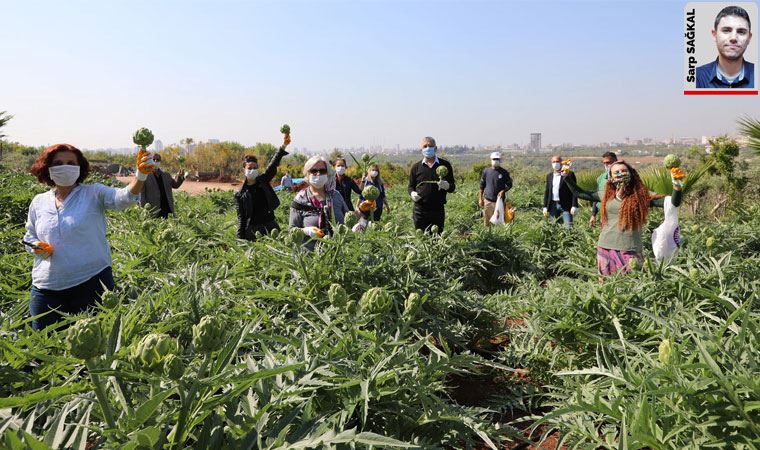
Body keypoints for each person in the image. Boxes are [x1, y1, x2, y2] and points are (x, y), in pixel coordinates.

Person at [24, 143, 154, 330]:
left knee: (95, 349)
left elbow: (123, 199)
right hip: (46, 288)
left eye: (71, 162)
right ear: (47, 168)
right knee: (43, 348)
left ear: (79, 167)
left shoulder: (93, 193)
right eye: (58, 163)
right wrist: (36, 246)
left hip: (92, 283)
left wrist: (140, 176)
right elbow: (29, 235)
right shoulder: (39, 202)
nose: (65, 166)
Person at [563, 160, 684, 276]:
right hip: (605, 247)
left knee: (631, 285)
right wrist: (567, 176)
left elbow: (672, 203)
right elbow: (580, 193)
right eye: (616, 172)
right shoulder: (606, 195)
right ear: (610, 178)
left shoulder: (641, 196)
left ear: (631, 174)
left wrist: (676, 184)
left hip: (630, 249)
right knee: (607, 287)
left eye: (624, 171)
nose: (620, 174)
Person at [235, 134, 290, 241]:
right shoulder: (240, 193)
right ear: (244, 169)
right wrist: (240, 239)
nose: (252, 170)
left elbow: (273, 164)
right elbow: (241, 219)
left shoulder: (263, 180)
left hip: (270, 225)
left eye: (255, 168)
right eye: (249, 168)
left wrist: (283, 145)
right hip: (253, 230)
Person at [289, 155, 351, 249]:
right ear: (307, 174)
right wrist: (306, 231)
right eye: (313, 171)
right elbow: (291, 230)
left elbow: (350, 220)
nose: (318, 174)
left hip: (337, 254)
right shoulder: (301, 199)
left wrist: (363, 212)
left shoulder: (335, 196)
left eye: (322, 171)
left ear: (327, 174)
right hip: (310, 257)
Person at [696, 5, 755, 89]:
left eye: (741, 32)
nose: (733, 38)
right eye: (726, 30)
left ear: (749, 38)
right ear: (714, 35)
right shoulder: (696, 77)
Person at [408, 136, 455, 233]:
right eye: (425, 146)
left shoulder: (445, 165)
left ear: (436, 148)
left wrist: (447, 186)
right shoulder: (416, 167)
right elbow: (410, 186)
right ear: (421, 149)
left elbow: (452, 187)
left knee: (437, 237)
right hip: (420, 210)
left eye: (430, 146)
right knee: (422, 238)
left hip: (437, 209)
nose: (427, 148)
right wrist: (412, 193)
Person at [138, 153, 185, 218]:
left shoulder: (166, 175)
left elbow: (175, 185)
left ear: (160, 161)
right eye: (153, 159)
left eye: (158, 160)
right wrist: (144, 210)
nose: (155, 161)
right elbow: (142, 195)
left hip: (167, 209)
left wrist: (180, 177)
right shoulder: (145, 176)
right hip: (153, 211)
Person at [542, 155, 578, 228]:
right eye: (554, 162)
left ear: (561, 162)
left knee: (568, 227)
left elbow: (574, 191)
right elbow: (547, 191)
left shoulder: (569, 174)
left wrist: (574, 205)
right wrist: (545, 206)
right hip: (553, 205)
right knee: (553, 226)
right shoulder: (549, 176)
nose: (555, 163)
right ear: (551, 163)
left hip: (566, 205)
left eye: (557, 161)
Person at [479, 152, 513, 226]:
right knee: (487, 222)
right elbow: (482, 186)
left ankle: (498, 236)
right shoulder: (486, 171)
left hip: (499, 202)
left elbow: (510, 185)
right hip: (488, 201)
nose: (495, 161)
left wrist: (503, 191)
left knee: (499, 221)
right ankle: (488, 236)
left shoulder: (504, 172)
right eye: (494, 159)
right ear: (491, 159)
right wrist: (480, 199)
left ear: (500, 160)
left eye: (497, 159)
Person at [589, 151, 617, 228]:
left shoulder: (622, 177)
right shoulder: (601, 178)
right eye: (604, 163)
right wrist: (593, 215)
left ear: (615, 162)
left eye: (608, 162)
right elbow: (597, 197)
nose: (606, 165)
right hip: (604, 214)